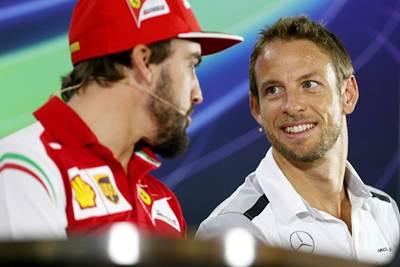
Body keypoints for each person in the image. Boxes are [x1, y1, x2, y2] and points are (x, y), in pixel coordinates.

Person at [0, 0, 243, 239]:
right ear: (144, 62)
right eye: (191, 65)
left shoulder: (163, 202)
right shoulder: (26, 167)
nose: (197, 94)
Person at [196, 16, 399, 264]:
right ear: (256, 108)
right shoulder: (232, 230)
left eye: (310, 84)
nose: (292, 106)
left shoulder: (384, 210)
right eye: (274, 90)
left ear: (348, 94)